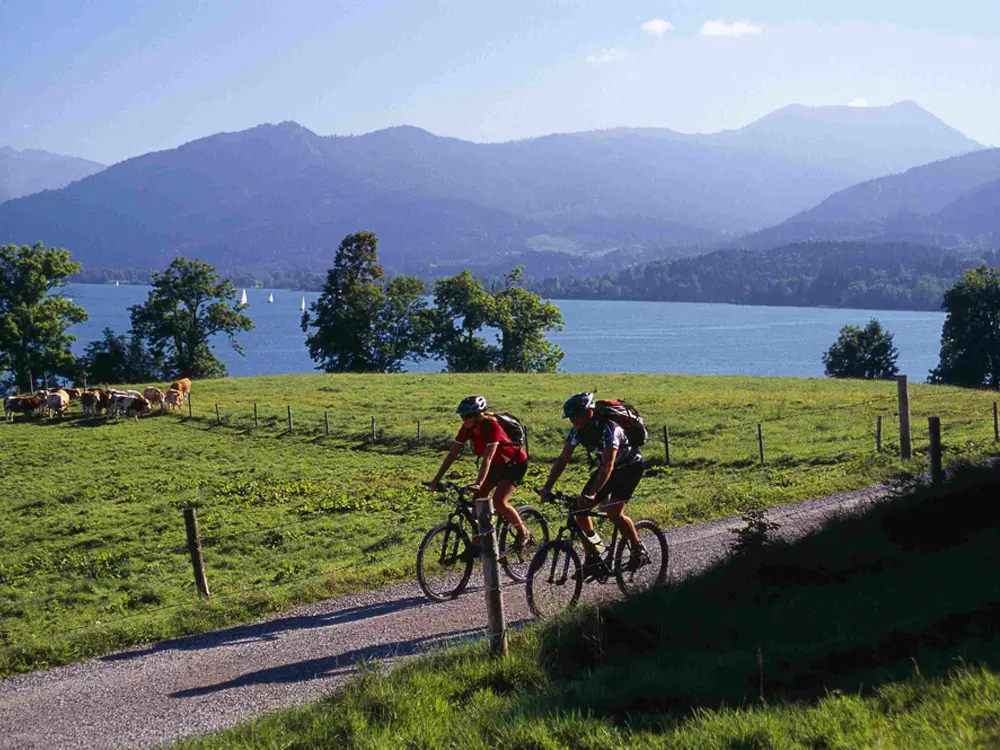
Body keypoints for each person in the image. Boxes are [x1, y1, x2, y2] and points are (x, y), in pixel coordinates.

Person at [538, 391, 649, 569]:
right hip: (607, 468)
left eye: (575, 418)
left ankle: (637, 549)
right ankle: (595, 552)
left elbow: (608, 465)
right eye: (570, 419)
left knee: (614, 512)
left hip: (629, 468)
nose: (572, 422)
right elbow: (562, 460)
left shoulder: (609, 429)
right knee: (579, 510)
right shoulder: (577, 431)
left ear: (588, 413)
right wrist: (547, 488)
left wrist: (594, 493)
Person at [425, 395, 534, 550]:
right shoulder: (467, 429)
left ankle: (524, 533)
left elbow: (487, 457)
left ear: (479, 414)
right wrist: (436, 479)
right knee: (478, 500)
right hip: (496, 465)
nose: (465, 420)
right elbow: (452, 454)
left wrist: (478, 483)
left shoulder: (492, 426)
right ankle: (478, 547)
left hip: (514, 464)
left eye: (468, 416)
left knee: (499, 502)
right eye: (462, 416)